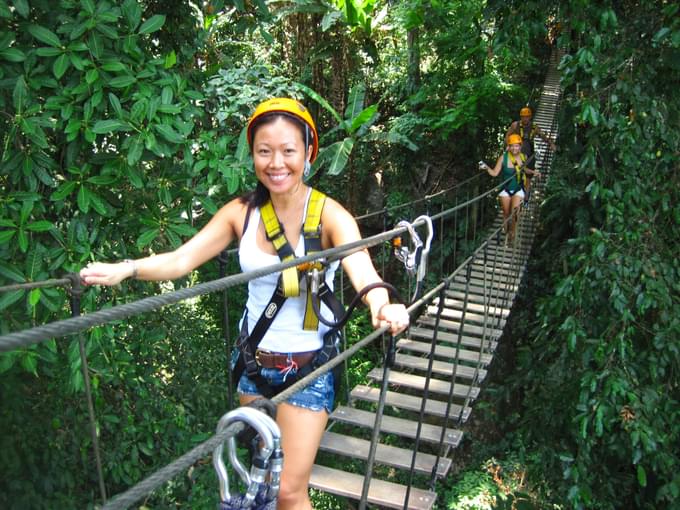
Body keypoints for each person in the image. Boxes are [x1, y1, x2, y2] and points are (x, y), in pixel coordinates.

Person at [79, 97, 410, 510]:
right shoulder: (242, 213)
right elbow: (183, 259)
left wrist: (382, 306)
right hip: (254, 366)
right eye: (264, 151)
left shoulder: (330, 215)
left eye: (288, 150)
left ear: (309, 152)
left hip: (310, 368)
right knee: (265, 481)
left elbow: (363, 272)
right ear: (252, 153)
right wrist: (127, 268)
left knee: (288, 489)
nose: (276, 163)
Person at [480, 134, 540, 245]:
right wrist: (486, 167)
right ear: (509, 146)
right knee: (506, 214)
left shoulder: (523, 157)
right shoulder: (503, 158)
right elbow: (494, 173)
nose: (514, 148)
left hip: (518, 188)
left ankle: (513, 234)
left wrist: (532, 172)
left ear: (520, 146)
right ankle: (507, 233)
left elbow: (524, 169)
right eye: (512, 146)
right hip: (506, 189)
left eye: (517, 146)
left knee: (515, 213)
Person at [505, 106, 556, 202]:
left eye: (527, 116)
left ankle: (526, 197)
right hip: (517, 155)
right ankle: (514, 195)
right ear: (521, 117)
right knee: (515, 174)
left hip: (529, 156)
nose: (525, 118)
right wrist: (508, 145)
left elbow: (542, 136)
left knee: (528, 177)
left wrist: (551, 144)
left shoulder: (534, 127)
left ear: (530, 117)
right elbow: (507, 136)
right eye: (523, 117)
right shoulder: (515, 126)